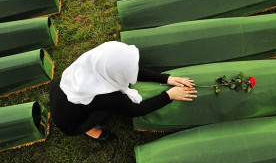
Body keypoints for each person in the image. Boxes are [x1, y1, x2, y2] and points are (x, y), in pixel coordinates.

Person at [50, 41, 197, 143]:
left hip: (61, 92)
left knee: (103, 105)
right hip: (71, 124)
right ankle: (89, 130)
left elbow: (128, 70)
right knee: (110, 110)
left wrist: (166, 78)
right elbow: (137, 110)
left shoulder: (91, 63)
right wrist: (169, 95)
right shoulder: (110, 98)